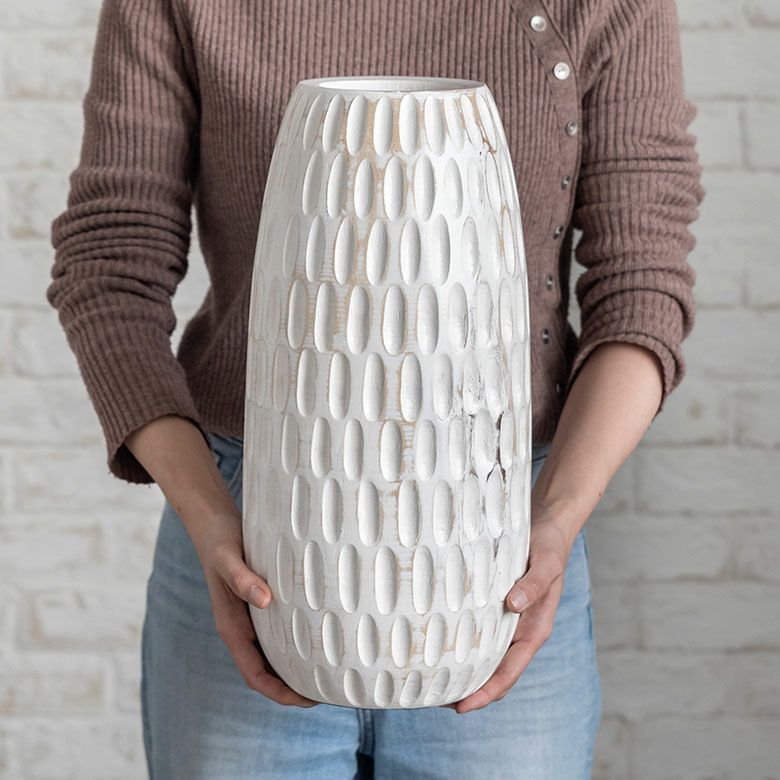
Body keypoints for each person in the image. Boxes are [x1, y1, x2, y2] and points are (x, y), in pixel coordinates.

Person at [47, 0, 704, 777]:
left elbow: (641, 283)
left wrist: (554, 520)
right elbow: (111, 263)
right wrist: (209, 515)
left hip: (508, 535)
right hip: (243, 532)